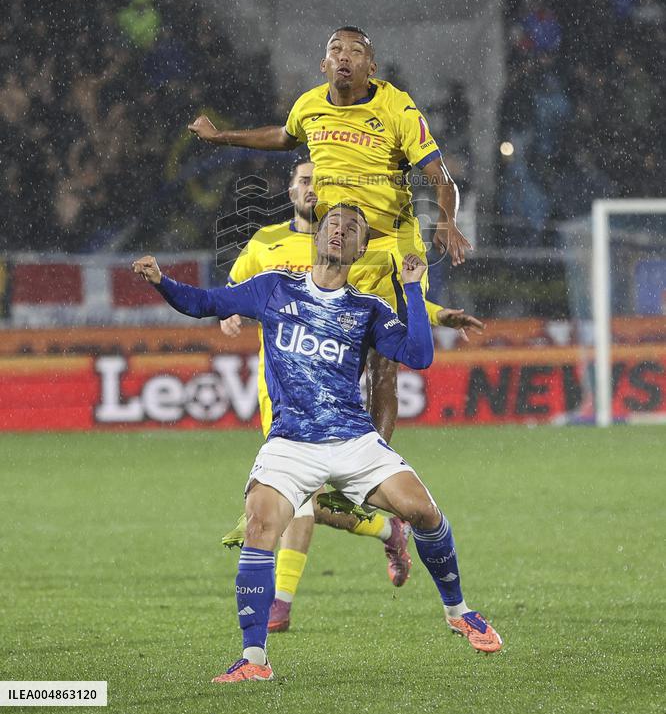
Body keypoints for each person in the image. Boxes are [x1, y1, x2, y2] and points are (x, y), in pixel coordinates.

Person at [132, 203, 502, 684]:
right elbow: (204, 303)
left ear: (360, 248)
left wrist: (411, 289)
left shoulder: (367, 309)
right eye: (332, 225)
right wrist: (161, 279)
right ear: (317, 236)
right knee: (262, 524)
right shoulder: (274, 289)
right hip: (291, 442)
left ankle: (458, 611)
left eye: (351, 229)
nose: (339, 232)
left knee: (425, 513)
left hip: (353, 439)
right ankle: (254, 659)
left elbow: (418, 354)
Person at [221, 157, 485, 633]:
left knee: (303, 502)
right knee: (315, 502)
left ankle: (278, 603)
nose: (308, 188)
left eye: (314, 181)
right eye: (301, 180)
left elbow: (388, 302)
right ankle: (387, 528)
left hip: (334, 386)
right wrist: (227, 311)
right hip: (278, 392)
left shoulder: (345, 243)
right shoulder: (265, 243)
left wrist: (441, 315)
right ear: (289, 190)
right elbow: (235, 287)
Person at [187, 25, 472, 274]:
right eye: (335, 49)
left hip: (390, 249)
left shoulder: (398, 108)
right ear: (324, 64)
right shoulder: (309, 105)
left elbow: (441, 177)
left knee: (397, 336)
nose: (344, 56)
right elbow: (283, 137)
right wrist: (219, 136)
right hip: (335, 253)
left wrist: (447, 221)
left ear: (372, 69)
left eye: (356, 51)